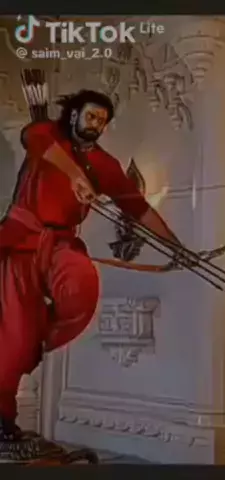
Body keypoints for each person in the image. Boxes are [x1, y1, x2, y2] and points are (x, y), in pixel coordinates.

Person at [0, 90, 185, 442]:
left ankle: (30, 341)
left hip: (61, 243)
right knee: (14, 340)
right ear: (73, 115)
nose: (96, 124)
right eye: (91, 116)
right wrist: (74, 174)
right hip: (21, 241)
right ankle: (3, 415)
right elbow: (34, 138)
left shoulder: (104, 164)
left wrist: (174, 245)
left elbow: (138, 208)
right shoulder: (47, 132)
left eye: (102, 120)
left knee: (82, 290)